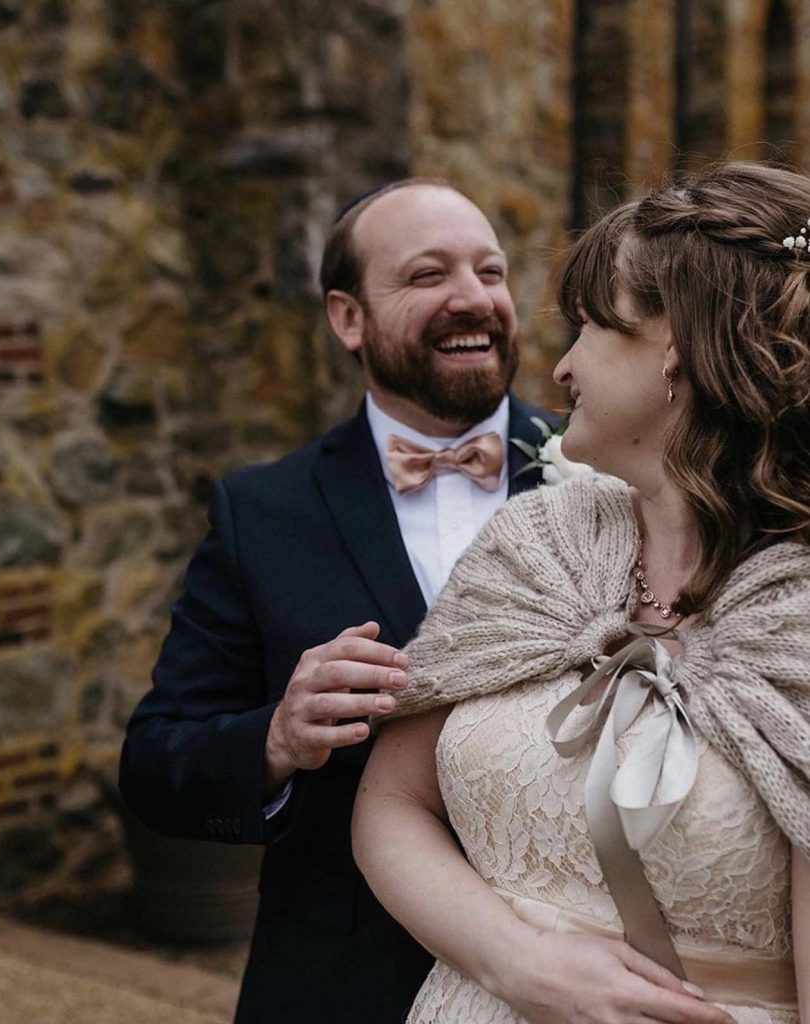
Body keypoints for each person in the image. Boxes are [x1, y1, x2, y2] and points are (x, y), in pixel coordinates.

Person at [353, 161, 810, 1024]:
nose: (561, 367)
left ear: (677, 347)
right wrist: (515, 961)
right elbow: (390, 802)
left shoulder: (800, 623)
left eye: (594, 326)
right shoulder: (538, 542)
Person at [119, 178, 553, 1023]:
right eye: (428, 274)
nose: (474, 298)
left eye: (491, 271)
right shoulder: (261, 511)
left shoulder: (608, 473)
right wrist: (276, 739)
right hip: (345, 982)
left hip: (578, 968)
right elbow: (155, 762)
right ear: (348, 318)